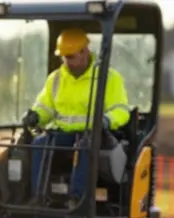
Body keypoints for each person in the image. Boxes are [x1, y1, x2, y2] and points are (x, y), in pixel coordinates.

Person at [22, 27, 131, 204]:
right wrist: (36, 116)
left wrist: (106, 121)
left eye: (71, 57)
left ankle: (76, 200)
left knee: (84, 147)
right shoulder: (56, 78)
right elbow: (46, 108)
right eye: (64, 57)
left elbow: (121, 110)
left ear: (85, 51)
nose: (67, 62)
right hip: (63, 134)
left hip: (95, 134)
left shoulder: (108, 78)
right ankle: (38, 197)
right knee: (39, 143)